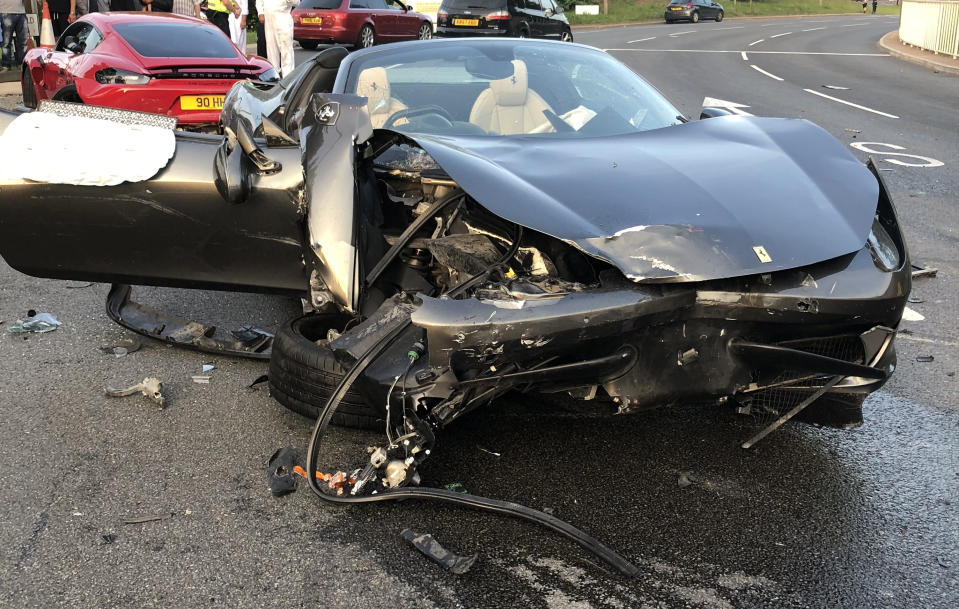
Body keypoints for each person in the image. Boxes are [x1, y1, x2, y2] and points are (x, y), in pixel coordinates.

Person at [256, 0, 297, 77]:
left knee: (286, 49)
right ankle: (274, 75)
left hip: (283, 17)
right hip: (269, 20)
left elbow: (297, 2)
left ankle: (288, 76)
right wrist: (260, 12)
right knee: (271, 48)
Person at [0, 0, 29, 72]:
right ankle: (5, 65)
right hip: (6, 11)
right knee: (6, 42)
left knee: (23, 42)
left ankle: (22, 65)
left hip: (21, 12)